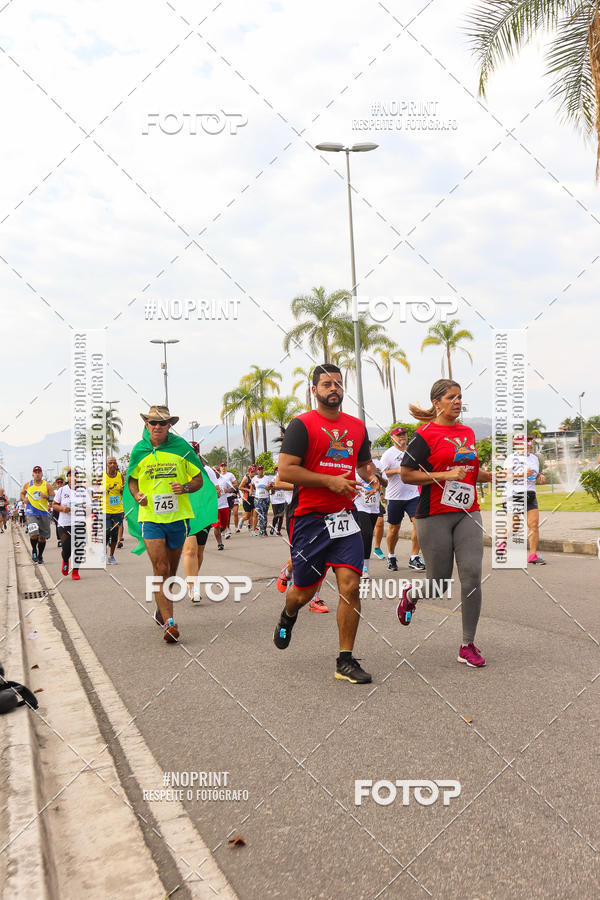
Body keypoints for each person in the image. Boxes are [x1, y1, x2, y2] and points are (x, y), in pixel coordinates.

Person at [273, 363, 377, 684]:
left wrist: (373, 477)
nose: (334, 388)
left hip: (345, 518)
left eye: (338, 383)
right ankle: (289, 613)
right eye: (327, 384)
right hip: (309, 520)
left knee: (350, 585)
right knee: (303, 593)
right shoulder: (301, 426)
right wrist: (328, 481)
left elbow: (363, 463)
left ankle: (345, 660)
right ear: (314, 390)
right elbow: (286, 471)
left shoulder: (357, 427)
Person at [397, 379, 493, 668]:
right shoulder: (424, 435)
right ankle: (411, 596)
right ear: (437, 402)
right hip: (434, 514)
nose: (457, 402)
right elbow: (406, 474)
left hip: (468, 512)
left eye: (460, 397)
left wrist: (500, 475)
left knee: (473, 577)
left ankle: (467, 644)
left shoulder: (468, 432)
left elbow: (470, 472)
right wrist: (444, 476)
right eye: (451, 397)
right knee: (438, 583)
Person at [124, 405, 215, 643]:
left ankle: (160, 607)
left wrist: (184, 487)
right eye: (153, 422)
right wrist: (137, 496)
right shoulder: (140, 450)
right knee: (161, 567)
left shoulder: (182, 448)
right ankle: (169, 623)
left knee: (171, 572)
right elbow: (132, 481)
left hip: (178, 518)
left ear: (169, 426)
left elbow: (198, 480)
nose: (157, 426)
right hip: (151, 519)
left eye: (162, 423)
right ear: (146, 425)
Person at [380, 427, 425, 571]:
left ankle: (414, 557)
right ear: (393, 438)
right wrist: (397, 470)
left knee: (419, 524)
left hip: (413, 495)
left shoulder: (412, 451)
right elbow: (381, 473)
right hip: (394, 497)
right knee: (394, 529)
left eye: (404, 434)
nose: (402, 437)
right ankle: (391, 556)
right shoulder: (388, 454)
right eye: (398, 435)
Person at [182, 442, 218, 603]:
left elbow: (216, 490)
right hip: (185, 514)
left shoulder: (207, 471)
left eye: (194, 452)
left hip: (203, 515)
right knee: (190, 550)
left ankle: (191, 579)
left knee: (199, 552)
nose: (191, 454)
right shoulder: (178, 468)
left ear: (198, 453)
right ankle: (193, 587)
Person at [504, 435, 547, 565]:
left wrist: (540, 476)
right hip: (515, 494)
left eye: (528, 441)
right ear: (516, 445)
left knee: (533, 525)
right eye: (523, 442)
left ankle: (532, 556)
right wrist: (521, 474)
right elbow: (505, 476)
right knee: (514, 527)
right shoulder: (511, 458)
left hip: (530, 494)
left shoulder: (534, 458)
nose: (527, 443)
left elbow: (534, 474)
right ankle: (501, 543)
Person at [353, 445, 384, 576]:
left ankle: (365, 564)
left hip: (374, 505)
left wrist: (378, 477)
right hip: (359, 503)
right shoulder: (352, 463)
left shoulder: (376, 464)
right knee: (365, 533)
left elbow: (385, 483)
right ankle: (362, 567)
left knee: (368, 535)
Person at [21, 466, 55, 563]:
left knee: (42, 538)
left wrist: (46, 496)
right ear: (33, 474)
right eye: (35, 472)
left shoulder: (47, 485)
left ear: (42, 474)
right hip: (31, 512)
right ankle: (34, 551)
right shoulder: (28, 484)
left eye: (39, 472)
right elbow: (22, 493)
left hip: (43, 512)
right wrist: (24, 499)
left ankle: (40, 555)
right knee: (34, 533)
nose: (37, 474)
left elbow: (53, 498)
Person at [53, 469, 80, 579]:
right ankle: (65, 560)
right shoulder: (62, 490)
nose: (73, 478)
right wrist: (62, 508)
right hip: (64, 523)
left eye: (75, 475)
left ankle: (75, 571)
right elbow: (54, 504)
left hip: (78, 522)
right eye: (70, 475)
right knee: (67, 548)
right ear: (67, 477)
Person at [101, 457, 125, 564]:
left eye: (114, 463)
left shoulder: (120, 476)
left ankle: (111, 556)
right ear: (107, 465)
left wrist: (122, 490)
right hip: (105, 509)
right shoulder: (102, 477)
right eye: (110, 463)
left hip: (117, 509)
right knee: (106, 532)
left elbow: (123, 491)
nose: (112, 464)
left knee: (114, 534)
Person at [217, 462, 238, 538]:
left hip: (229, 496)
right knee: (222, 515)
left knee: (228, 513)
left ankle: (227, 528)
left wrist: (228, 490)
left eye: (224, 466)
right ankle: (224, 529)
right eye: (222, 466)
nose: (223, 467)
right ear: (220, 468)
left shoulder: (230, 475)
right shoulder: (217, 476)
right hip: (220, 499)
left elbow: (235, 484)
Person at [252, 464, 273, 536]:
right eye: (259, 470)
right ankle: (261, 530)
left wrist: (268, 487)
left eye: (261, 469)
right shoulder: (254, 478)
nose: (260, 471)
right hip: (257, 499)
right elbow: (252, 485)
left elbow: (271, 487)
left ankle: (264, 529)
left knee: (265, 514)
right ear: (257, 471)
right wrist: (251, 491)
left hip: (266, 498)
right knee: (260, 514)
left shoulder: (267, 478)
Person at [270, 466, 286, 535]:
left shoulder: (285, 478)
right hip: (275, 500)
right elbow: (271, 487)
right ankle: (273, 527)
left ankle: (278, 531)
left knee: (281, 516)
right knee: (276, 515)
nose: (278, 471)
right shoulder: (273, 479)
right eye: (277, 470)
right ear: (275, 471)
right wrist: (273, 487)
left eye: (279, 470)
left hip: (282, 499)